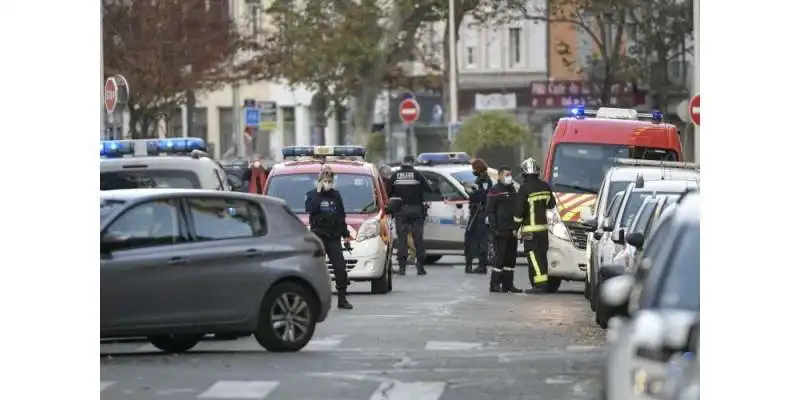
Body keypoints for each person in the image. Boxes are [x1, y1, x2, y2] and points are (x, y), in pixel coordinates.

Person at [305, 166, 353, 309]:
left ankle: (342, 298)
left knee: (340, 268)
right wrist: (318, 192)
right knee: (315, 268)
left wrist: (346, 235)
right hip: (319, 236)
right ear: (319, 179)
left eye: (329, 179)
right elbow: (310, 210)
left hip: (333, 237)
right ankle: (314, 300)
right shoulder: (312, 195)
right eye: (325, 179)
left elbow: (341, 216)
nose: (327, 181)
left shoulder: (336, 195)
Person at [513, 157, 556, 294]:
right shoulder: (545, 186)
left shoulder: (524, 189)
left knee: (533, 256)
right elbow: (551, 204)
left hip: (529, 230)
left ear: (524, 173)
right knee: (542, 256)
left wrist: (515, 227)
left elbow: (519, 211)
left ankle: (540, 285)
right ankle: (540, 283)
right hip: (543, 229)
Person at [387, 155, 433, 275]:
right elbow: (429, 190)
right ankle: (420, 267)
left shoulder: (395, 175)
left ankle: (402, 268)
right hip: (416, 211)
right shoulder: (417, 175)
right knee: (418, 239)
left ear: (402, 163)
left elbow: (388, 193)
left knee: (402, 240)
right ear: (412, 163)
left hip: (400, 212)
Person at [486, 166, 523, 293]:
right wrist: (494, 228)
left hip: (512, 229)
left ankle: (508, 284)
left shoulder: (513, 189)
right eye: (507, 175)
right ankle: (494, 284)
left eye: (510, 174)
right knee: (499, 258)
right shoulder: (495, 190)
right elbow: (490, 210)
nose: (509, 177)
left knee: (511, 258)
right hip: (500, 229)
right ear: (500, 176)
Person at [379, 163, 416, 266]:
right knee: (403, 235)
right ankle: (411, 254)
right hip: (393, 211)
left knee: (400, 236)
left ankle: (411, 254)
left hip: (391, 212)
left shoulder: (384, 183)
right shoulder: (389, 182)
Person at [463, 158, 492, 274]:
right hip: (477, 212)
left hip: (479, 213)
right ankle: (473, 264)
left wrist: (470, 191)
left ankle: (481, 265)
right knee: (472, 238)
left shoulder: (484, 180)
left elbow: (481, 195)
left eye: (473, 168)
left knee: (478, 238)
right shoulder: (480, 179)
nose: (472, 170)